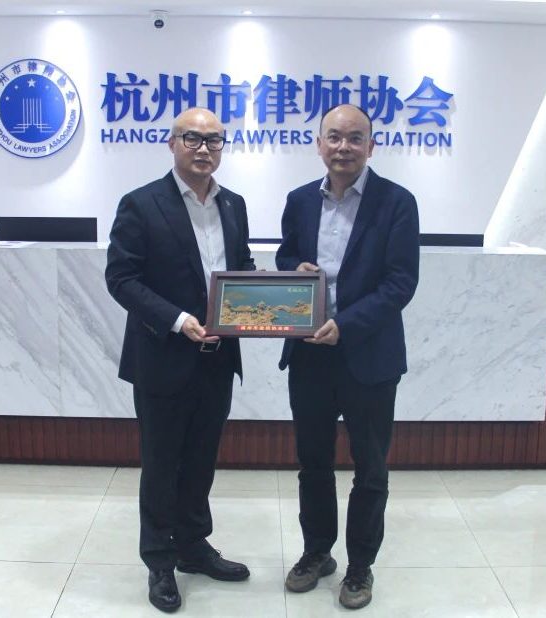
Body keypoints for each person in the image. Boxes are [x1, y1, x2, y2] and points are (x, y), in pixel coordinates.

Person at [105, 107, 255, 613]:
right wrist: (177, 319)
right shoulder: (141, 204)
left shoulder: (233, 205)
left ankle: (193, 546)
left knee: (201, 460)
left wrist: (274, 296)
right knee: (162, 464)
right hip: (163, 356)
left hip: (218, 358)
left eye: (214, 140)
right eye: (192, 138)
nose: (204, 149)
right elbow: (121, 278)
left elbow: (240, 269)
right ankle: (159, 561)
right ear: (172, 144)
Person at [276, 103, 420, 610]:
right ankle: (317, 552)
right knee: (312, 463)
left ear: (371, 146)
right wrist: (294, 267)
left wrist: (347, 325)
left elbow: (401, 282)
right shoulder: (299, 200)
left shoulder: (397, 203)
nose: (343, 147)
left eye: (355, 138)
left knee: (370, 468)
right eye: (334, 137)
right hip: (309, 356)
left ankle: (360, 565)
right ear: (319, 144)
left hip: (369, 356)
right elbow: (285, 255)